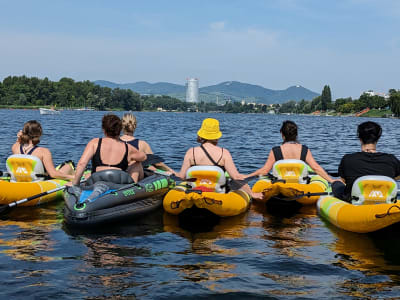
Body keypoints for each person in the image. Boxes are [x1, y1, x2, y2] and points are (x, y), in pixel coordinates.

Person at [176, 118, 263, 199]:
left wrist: (169, 172)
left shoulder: (191, 152)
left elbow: (182, 176)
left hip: (195, 192)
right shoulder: (223, 153)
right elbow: (236, 177)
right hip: (217, 195)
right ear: (217, 136)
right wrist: (252, 194)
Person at [246, 120, 334, 183]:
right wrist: (332, 180)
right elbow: (316, 168)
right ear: (296, 135)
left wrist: (247, 176)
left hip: (281, 186)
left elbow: (265, 171)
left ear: (282, 134)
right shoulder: (304, 149)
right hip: (300, 185)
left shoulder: (276, 150)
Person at [332, 121, 400, 201]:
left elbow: (344, 180)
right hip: (383, 201)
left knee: (336, 184)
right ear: (378, 138)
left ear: (360, 139)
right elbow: (396, 177)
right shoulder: (391, 159)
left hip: (354, 203)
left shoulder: (348, 159)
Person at [72, 114, 147, 186]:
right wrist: (131, 160)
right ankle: (133, 189)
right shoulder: (128, 147)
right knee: (137, 163)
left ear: (103, 129)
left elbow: (82, 164)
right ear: (120, 130)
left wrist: (75, 185)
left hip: (97, 180)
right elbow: (144, 157)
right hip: (118, 183)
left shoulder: (94, 143)